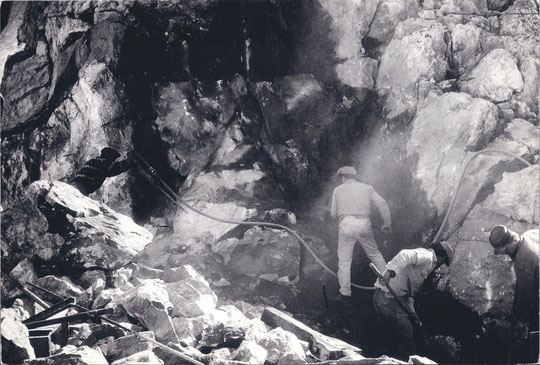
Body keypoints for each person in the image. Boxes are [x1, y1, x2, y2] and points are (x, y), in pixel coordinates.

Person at [373, 242, 454, 360]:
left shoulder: (426, 266)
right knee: (406, 339)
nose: (441, 265)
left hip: (388, 299)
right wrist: (389, 272)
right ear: (441, 258)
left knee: (390, 336)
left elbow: (409, 295)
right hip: (387, 298)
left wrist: (413, 314)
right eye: (443, 262)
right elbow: (405, 255)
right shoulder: (427, 256)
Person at [329, 166, 392, 302]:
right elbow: (382, 203)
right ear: (354, 177)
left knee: (345, 261)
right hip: (364, 223)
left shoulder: (338, 190)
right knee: (375, 254)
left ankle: (345, 294)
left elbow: (333, 214)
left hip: (347, 224)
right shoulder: (367, 188)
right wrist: (387, 223)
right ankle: (389, 287)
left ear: (343, 177)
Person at [489, 225, 539, 362]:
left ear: (512, 242)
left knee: (536, 323)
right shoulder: (530, 234)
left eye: (505, 251)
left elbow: (526, 297)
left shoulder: (523, 262)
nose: (506, 254)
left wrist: (516, 314)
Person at [71, 147, 136, 196]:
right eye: (113, 159)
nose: (113, 162)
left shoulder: (92, 161)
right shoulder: (104, 163)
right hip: (82, 188)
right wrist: (131, 161)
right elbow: (117, 168)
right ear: (108, 157)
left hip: (74, 186)